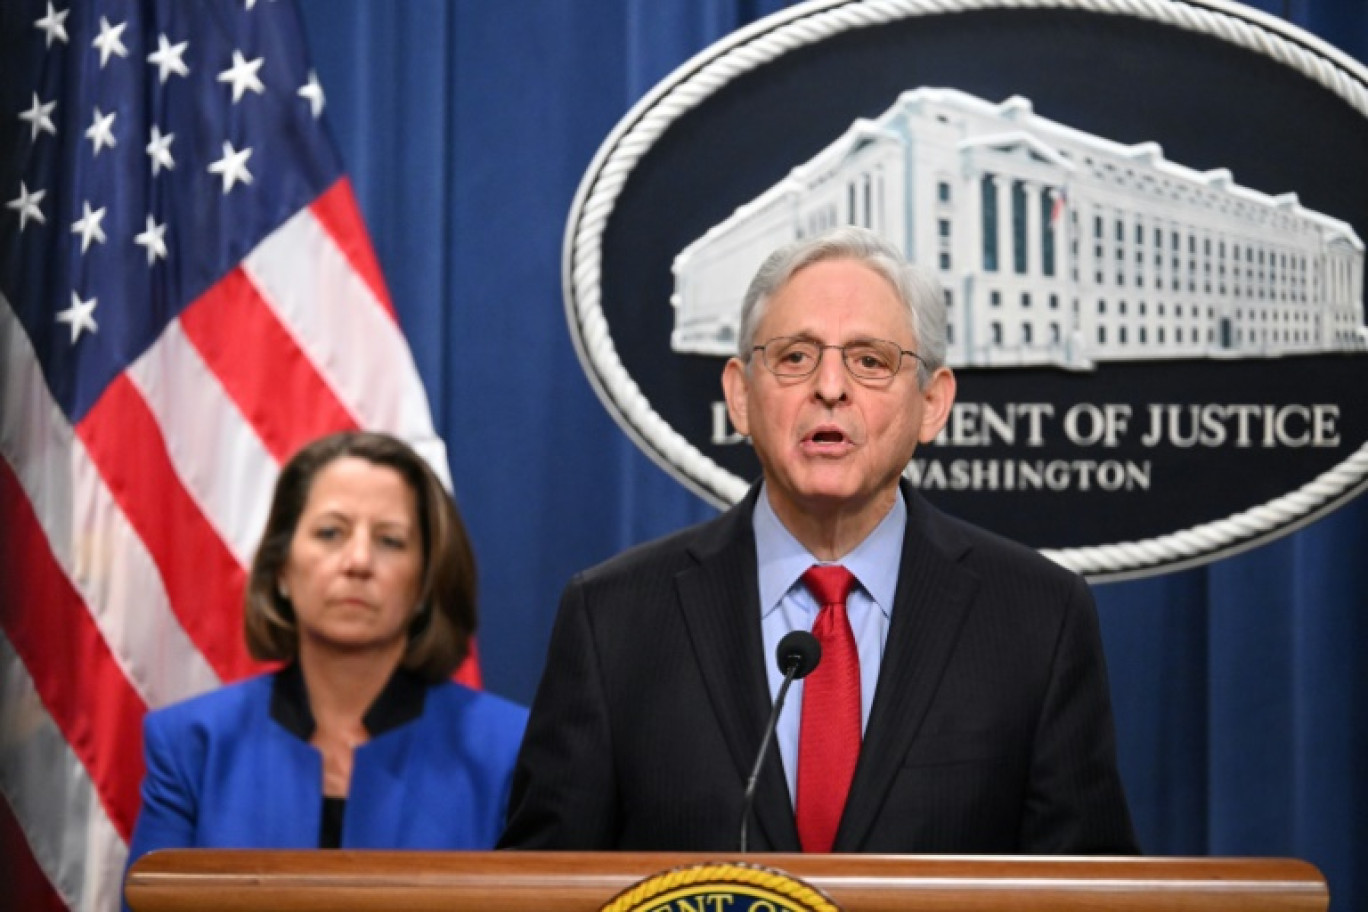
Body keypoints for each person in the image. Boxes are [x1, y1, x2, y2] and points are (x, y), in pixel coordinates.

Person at [499, 225, 1137, 854]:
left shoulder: (1036, 618)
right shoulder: (614, 619)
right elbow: (541, 889)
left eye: (870, 361)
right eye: (796, 356)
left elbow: (1091, 891)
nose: (830, 388)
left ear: (933, 405)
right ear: (741, 396)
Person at [126, 431, 527, 871]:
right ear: (281, 568)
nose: (357, 561)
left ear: (424, 583)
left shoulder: (508, 750)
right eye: (330, 533)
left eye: (390, 540)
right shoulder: (192, 745)